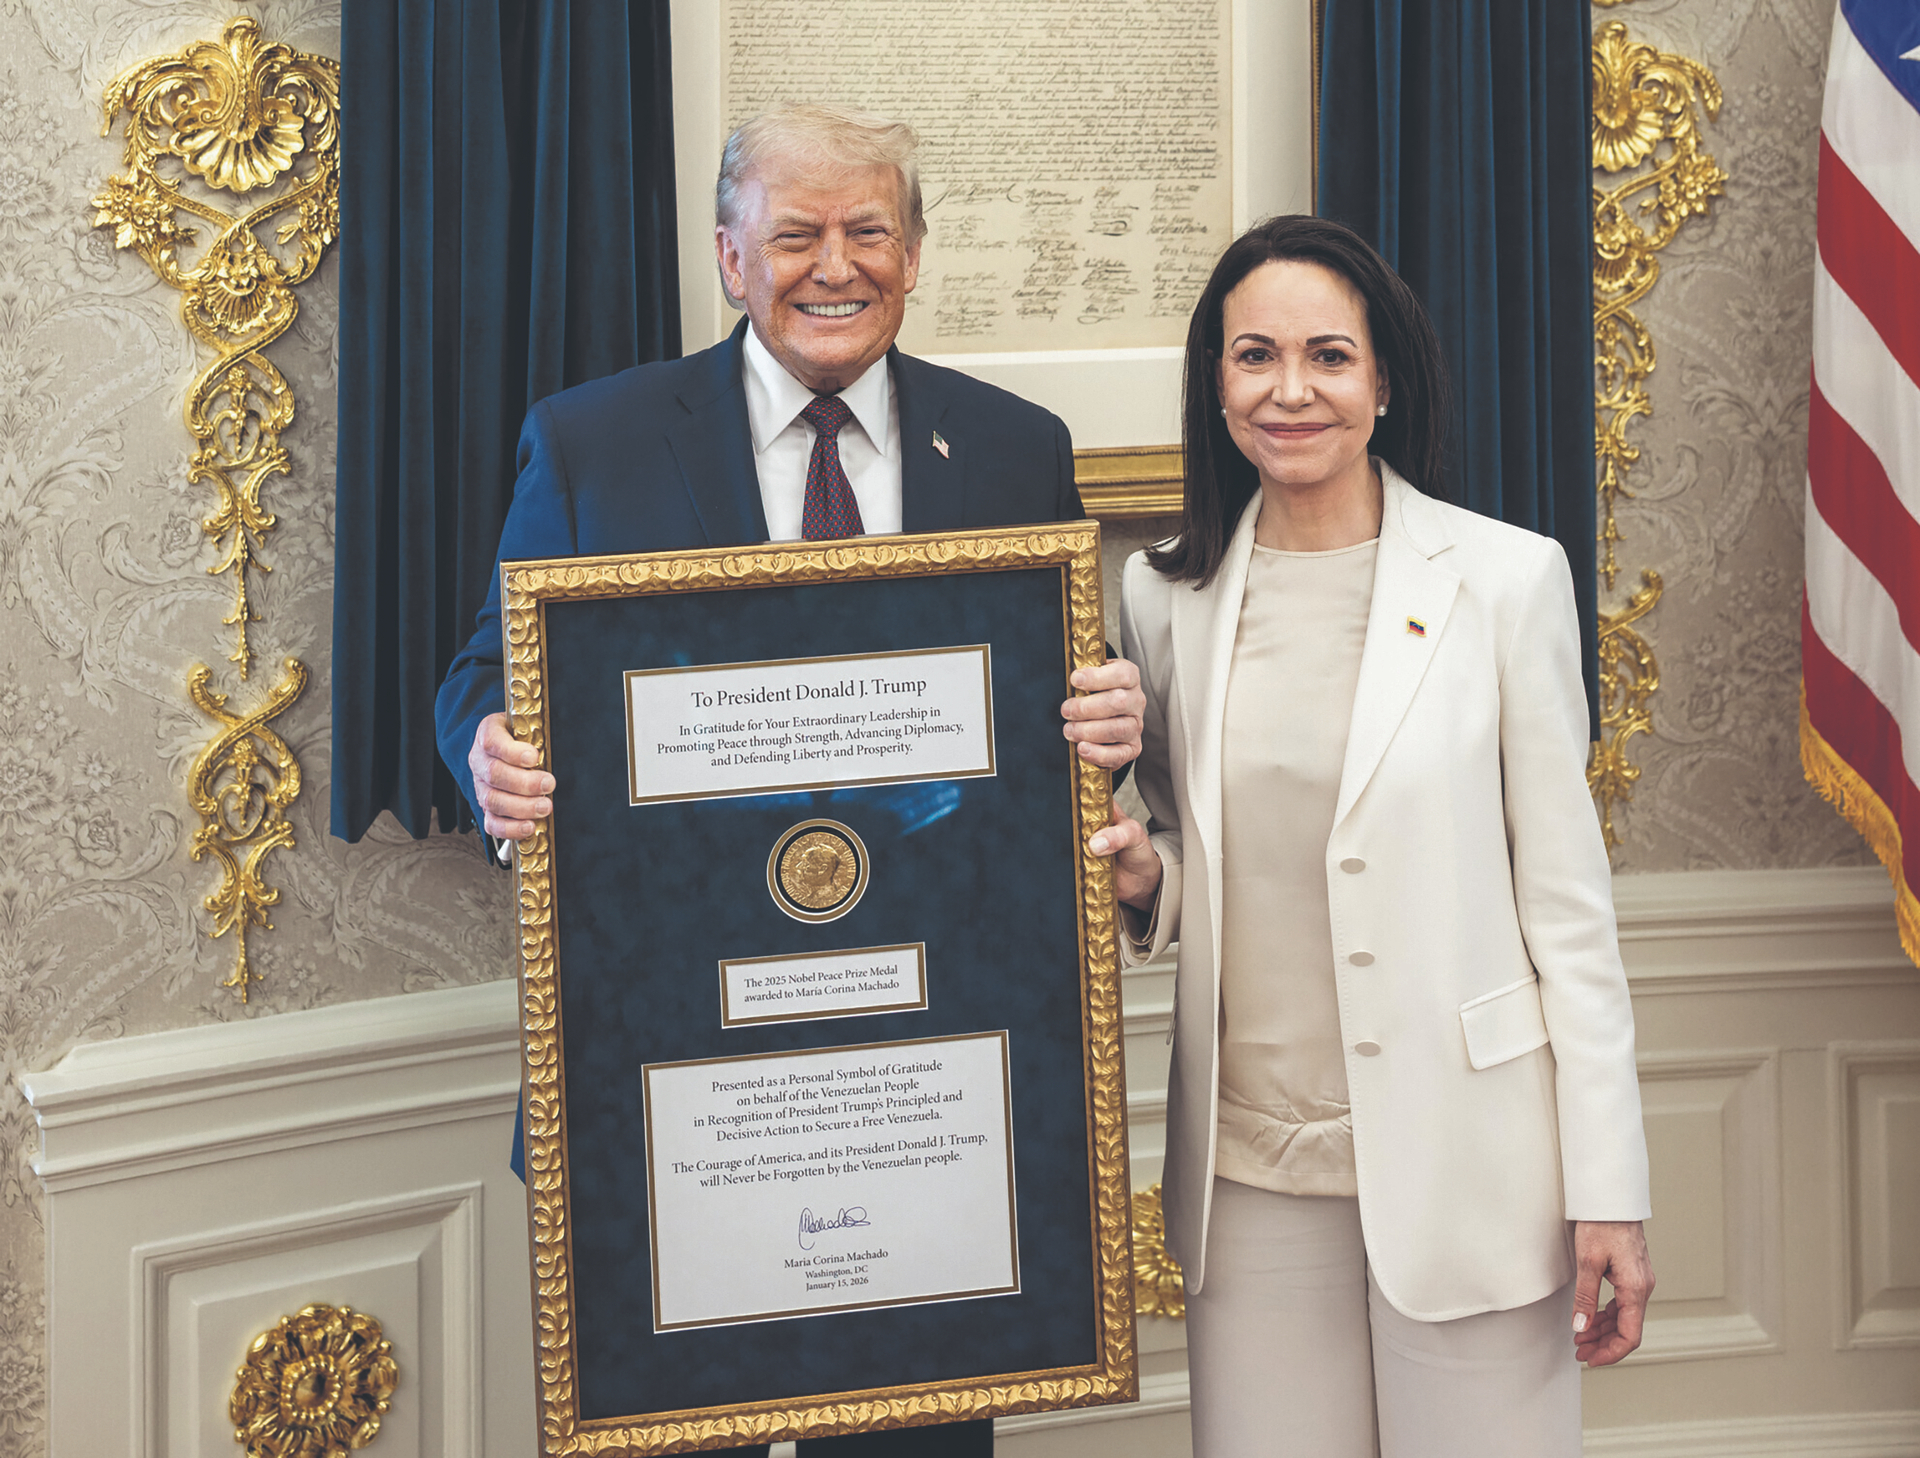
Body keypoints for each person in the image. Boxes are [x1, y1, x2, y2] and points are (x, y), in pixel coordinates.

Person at [434, 105, 1144, 1458]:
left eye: (869, 231)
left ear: (914, 253)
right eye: (797, 234)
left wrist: (1106, 713)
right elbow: (488, 671)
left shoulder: (1014, 447)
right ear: (730, 257)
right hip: (669, 1053)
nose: (837, 266)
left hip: (929, 1063)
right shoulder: (593, 441)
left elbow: (1052, 698)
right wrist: (489, 755)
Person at [1087, 214, 1654, 1457]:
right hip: (1248, 1172)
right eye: (1255, 356)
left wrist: (1609, 1189)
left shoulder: (1505, 581)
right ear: (1215, 383)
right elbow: (1189, 842)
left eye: (1329, 357)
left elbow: (1569, 912)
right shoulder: (1160, 596)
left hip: (1471, 1162)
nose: (1290, 390)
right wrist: (1144, 876)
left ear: (1384, 382)